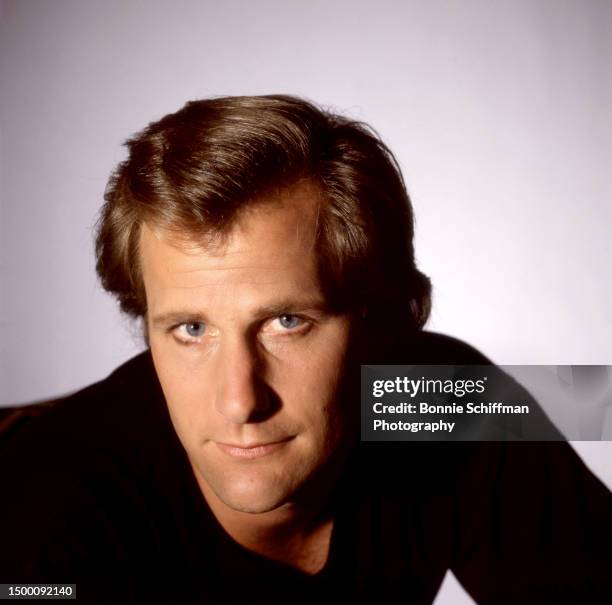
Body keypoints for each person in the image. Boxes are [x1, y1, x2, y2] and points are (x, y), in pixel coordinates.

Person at [0, 95, 610, 604]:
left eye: (287, 321)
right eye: (190, 329)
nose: (240, 400)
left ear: (379, 321)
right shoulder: (51, 514)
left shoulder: (443, 404)